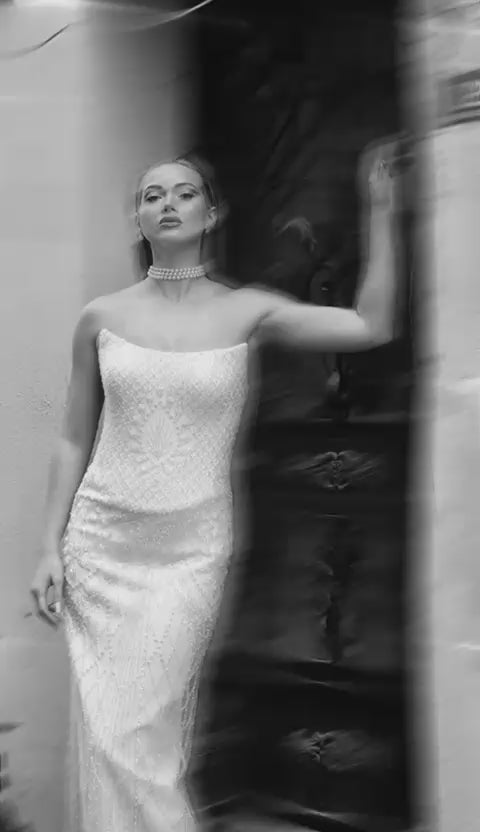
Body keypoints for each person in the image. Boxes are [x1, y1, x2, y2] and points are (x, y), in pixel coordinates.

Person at [29, 144, 397, 831]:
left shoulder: (247, 310)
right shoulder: (100, 317)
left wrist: (381, 209)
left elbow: (371, 327)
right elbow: (73, 437)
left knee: (140, 732)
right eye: (152, 195)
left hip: (189, 550)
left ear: (213, 213)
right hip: (102, 546)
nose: (167, 203)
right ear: (139, 220)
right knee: (115, 737)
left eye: (184, 193)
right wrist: (49, 546)